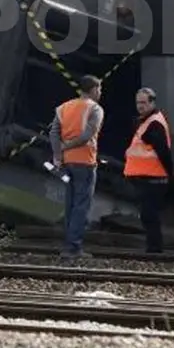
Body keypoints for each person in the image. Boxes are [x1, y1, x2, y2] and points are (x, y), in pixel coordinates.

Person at [48, 75, 104, 260]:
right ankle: (74, 247)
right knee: (81, 206)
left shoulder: (64, 108)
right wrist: (66, 147)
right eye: (99, 89)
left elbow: (53, 133)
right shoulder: (95, 109)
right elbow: (87, 135)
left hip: (67, 163)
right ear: (94, 89)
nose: (100, 93)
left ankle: (68, 245)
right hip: (85, 163)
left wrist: (58, 154)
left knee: (70, 204)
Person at [123, 87, 174, 254]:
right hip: (147, 176)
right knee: (148, 214)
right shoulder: (147, 121)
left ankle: (154, 248)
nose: (140, 106)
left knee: (149, 214)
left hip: (153, 177)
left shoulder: (154, 123)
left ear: (152, 102)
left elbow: (163, 151)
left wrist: (171, 171)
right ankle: (153, 247)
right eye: (138, 103)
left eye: (144, 103)